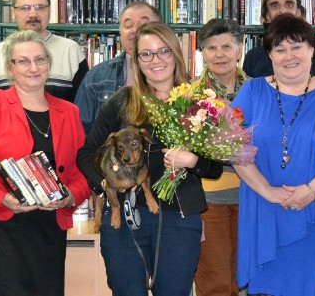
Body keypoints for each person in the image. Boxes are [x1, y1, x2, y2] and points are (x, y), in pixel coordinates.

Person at [77, 22, 223, 296]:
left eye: (163, 51)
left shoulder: (199, 103)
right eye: (146, 54)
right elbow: (86, 155)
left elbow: (214, 168)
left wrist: (193, 161)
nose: (155, 60)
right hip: (125, 216)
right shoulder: (123, 101)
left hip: (180, 221)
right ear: (136, 60)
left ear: (176, 54)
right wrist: (106, 184)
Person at [0, 30, 92, 296]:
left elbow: (82, 171)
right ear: (10, 68)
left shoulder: (69, 112)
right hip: (0, 227)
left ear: (49, 65)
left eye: (40, 60)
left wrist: (70, 196)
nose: (33, 67)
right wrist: (2, 197)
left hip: (48, 232)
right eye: (23, 61)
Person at [231, 14, 315, 295]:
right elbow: (231, 148)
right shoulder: (252, 90)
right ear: (269, 54)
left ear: (312, 49)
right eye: (279, 49)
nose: (289, 56)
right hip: (264, 208)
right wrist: (268, 191)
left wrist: (312, 191)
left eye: (297, 47)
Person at [192, 18, 248, 296]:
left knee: (245, 275)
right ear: (202, 52)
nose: (220, 54)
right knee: (215, 278)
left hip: (252, 195)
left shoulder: (259, 90)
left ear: (240, 49)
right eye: (211, 48)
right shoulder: (188, 95)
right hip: (208, 199)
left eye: (227, 46)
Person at [0, 0, 89, 102]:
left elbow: (83, 107)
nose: (33, 14)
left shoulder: (71, 51)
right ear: (13, 13)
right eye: (25, 8)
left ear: (50, 11)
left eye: (40, 7)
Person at [74, 1, 162, 134]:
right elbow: (79, 131)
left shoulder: (175, 77)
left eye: (144, 24)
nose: (135, 30)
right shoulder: (96, 76)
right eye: (128, 25)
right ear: (120, 31)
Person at [242, 0, 315, 78]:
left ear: (299, 13)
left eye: (289, 5)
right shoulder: (253, 57)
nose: (283, 10)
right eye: (275, 6)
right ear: (267, 16)